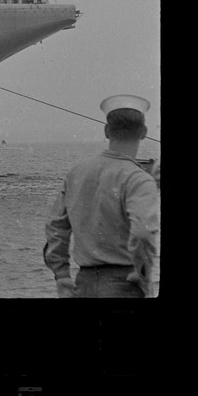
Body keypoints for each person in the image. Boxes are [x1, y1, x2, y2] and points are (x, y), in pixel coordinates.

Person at [43, 95, 159, 298]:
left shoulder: (77, 172)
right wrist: (143, 272)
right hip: (125, 284)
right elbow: (142, 233)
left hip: (83, 283)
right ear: (144, 133)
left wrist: (61, 275)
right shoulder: (140, 180)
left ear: (106, 131)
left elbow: (56, 226)